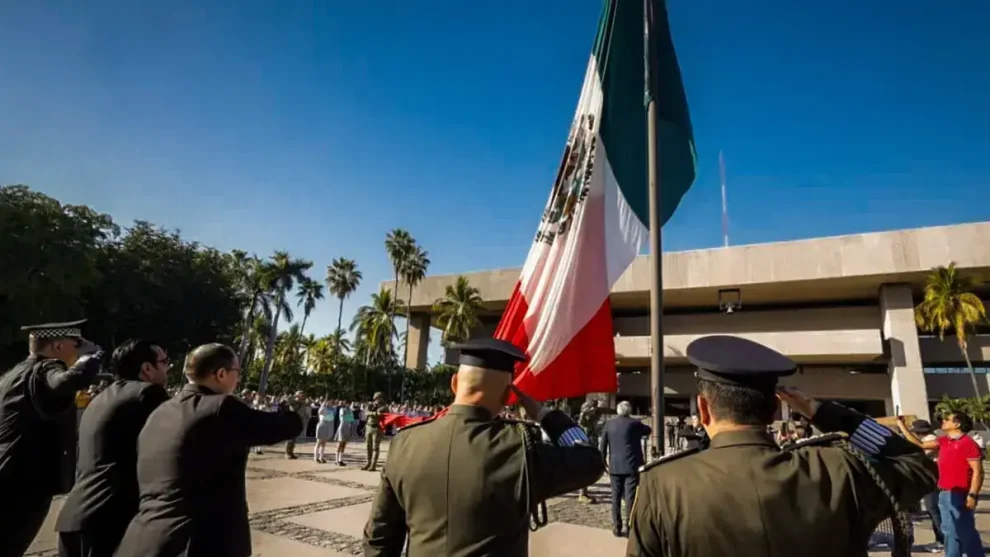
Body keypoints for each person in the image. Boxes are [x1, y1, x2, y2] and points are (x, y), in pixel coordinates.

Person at [626, 335, 937, 557]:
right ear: (776, 410)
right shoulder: (838, 469)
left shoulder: (663, 484)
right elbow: (917, 464)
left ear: (703, 409)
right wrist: (823, 412)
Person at [362, 337, 604, 556]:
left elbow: (379, 539)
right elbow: (590, 461)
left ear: (454, 384)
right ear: (508, 395)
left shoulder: (404, 443)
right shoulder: (518, 449)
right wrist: (544, 414)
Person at [113, 343, 304, 557]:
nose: (238, 379)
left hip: (145, 537)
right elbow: (287, 426)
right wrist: (290, 408)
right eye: (237, 372)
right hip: (197, 543)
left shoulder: (161, 411)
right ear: (221, 374)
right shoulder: (220, 408)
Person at [55, 339, 172, 557]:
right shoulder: (148, 394)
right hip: (111, 521)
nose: (168, 368)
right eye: (164, 362)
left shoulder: (101, 398)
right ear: (147, 369)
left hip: (75, 516)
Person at [0, 320, 104, 557]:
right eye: (76, 343)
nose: (79, 348)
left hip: (10, 473)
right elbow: (66, 382)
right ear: (58, 347)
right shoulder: (46, 369)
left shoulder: (15, 373)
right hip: (24, 482)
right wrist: (92, 356)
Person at [898, 411, 985, 557]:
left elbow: (978, 472)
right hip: (944, 493)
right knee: (951, 530)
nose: (943, 421)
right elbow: (919, 444)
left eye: (947, 419)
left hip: (960, 493)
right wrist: (902, 426)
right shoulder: (943, 441)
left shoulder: (968, 444)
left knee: (963, 530)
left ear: (957, 424)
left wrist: (973, 494)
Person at [599, 400, 651, 538]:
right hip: (631, 465)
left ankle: (616, 527)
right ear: (629, 411)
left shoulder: (609, 424)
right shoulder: (635, 424)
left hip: (615, 466)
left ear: (617, 411)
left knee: (615, 497)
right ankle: (630, 527)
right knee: (630, 497)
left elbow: (602, 445)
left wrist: (603, 462)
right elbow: (648, 430)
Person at [909, 418, 944, 552]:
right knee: (934, 510)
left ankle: (942, 540)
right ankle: (941, 539)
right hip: (933, 478)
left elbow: (921, 455)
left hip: (934, 479)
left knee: (934, 510)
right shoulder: (930, 438)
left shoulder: (930, 439)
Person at [577, 398, 601, 504]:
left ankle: (584, 492)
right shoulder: (584, 419)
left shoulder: (592, 418)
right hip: (585, 447)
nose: (594, 409)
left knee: (588, 470)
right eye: (593, 406)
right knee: (584, 470)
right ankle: (582, 494)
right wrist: (585, 413)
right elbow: (581, 422)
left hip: (592, 446)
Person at [362, 392, 386, 471]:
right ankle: (368, 462)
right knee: (368, 446)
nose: (376, 400)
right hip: (369, 427)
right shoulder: (371, 405)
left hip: (377, 428)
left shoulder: (384, 407)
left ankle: (373, 465)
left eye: (377, 398)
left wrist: (372, 412)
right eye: (375, 398)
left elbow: (380, 413)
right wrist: (372, 411)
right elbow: (366, 413)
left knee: (375, 447)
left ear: (381, 398)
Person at [285, 391, 309, 460]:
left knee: (294, 438)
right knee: (289, 438)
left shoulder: (302, 402)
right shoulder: (293, 401)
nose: (303, 396)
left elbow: (304, 410)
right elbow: (287, 400)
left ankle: (291, 452)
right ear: (297, 395)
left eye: (303, 395)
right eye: (301, 394)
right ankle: (287, 453)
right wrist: (294, 396)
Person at [333, 400, 356, 466]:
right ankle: (336, 460)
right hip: (342, 427)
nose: (348, 405)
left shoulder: (350, 410)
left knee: (344, 444)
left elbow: (351, 419)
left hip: (347, 428)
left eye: (349, 404)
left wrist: (349, 415)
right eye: (347, 404)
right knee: (340, 443)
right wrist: (349, 415)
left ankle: (341, 460)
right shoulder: (342, 409)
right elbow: (343, 416)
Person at [314, 398, 335, 463]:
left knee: (324, 443)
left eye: (331, 402)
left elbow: (332, 418)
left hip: (328, 426)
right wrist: (323, 405)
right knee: (319, 442)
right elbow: (320, 412)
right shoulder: (323, 408)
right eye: (328, 402)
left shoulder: (332, 409)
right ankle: (316, 457)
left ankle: (321, 457)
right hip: (322, 424)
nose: (330, 403)